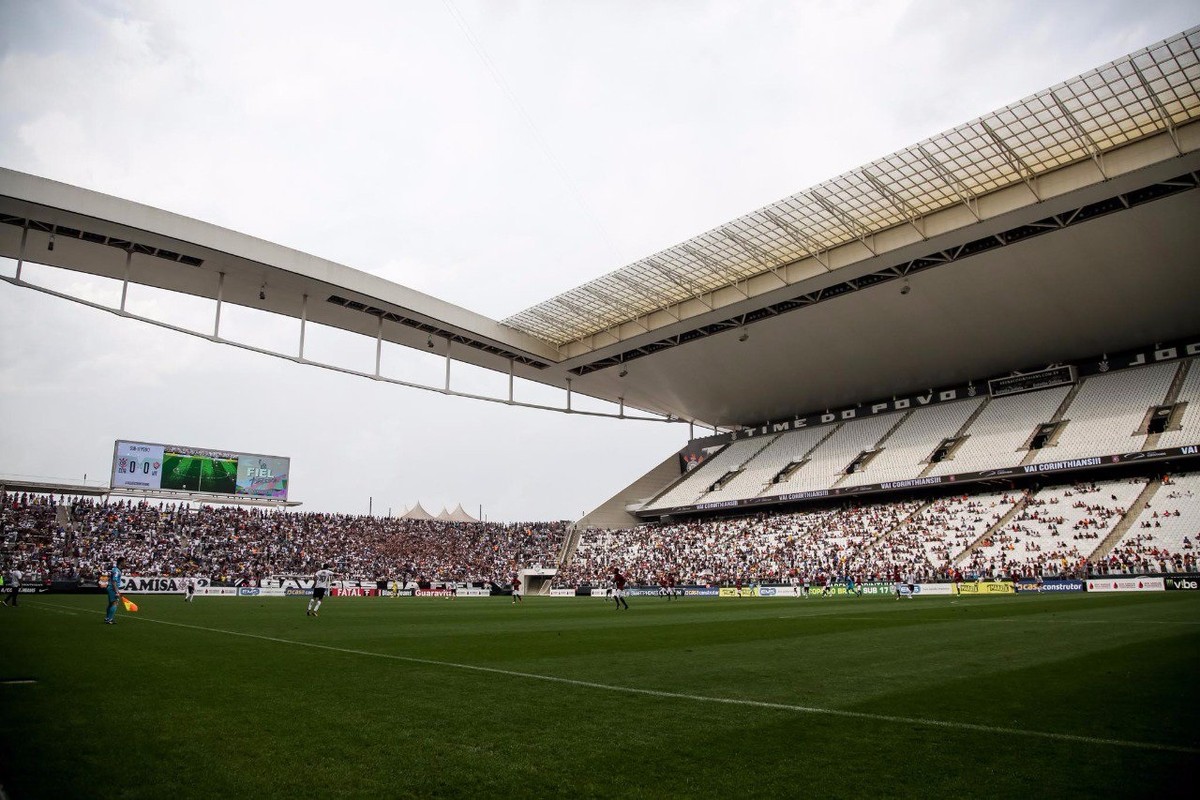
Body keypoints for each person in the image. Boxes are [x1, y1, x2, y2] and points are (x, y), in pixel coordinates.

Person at [105, 557, 126, 624]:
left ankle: (107, 618)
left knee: (111, 604)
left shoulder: (115, 569)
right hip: (112, 588)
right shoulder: (117, 571)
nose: (125, 563)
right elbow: (114, 581)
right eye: (124, 562)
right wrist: (117, 591)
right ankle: (110, 619)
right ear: (121, 562)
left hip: (110, 587)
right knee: (115, 603)